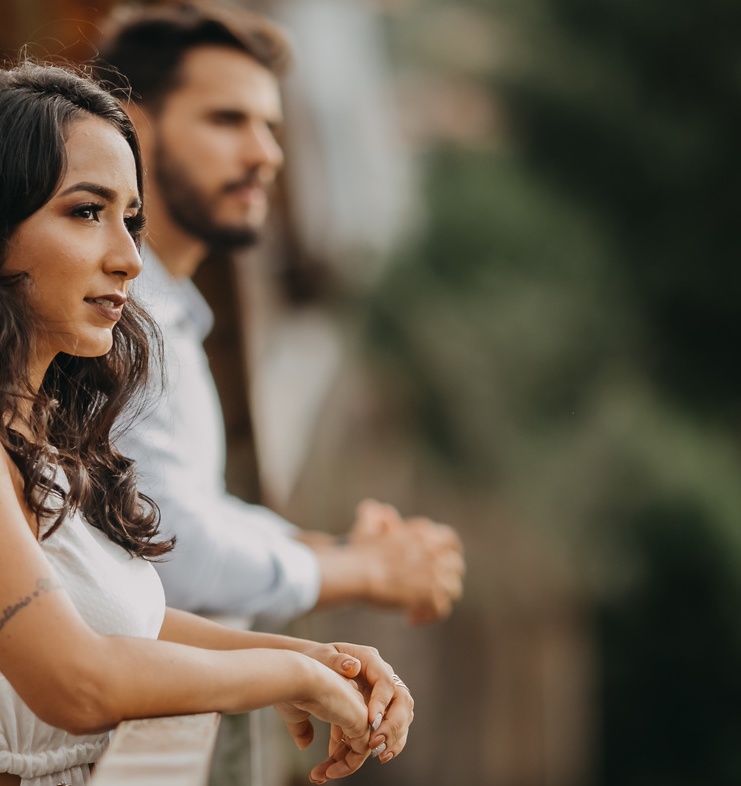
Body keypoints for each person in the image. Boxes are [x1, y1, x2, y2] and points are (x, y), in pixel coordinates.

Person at [0, 63, 412, 786]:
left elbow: (134, 627)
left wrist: (315, 656)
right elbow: (76, 681)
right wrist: (286, 676)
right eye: (87, 212)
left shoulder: (32, 422)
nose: (127, 258)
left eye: (131, 219)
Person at [93, 1, 466, 624]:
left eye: (270, 126)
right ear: (131, 126)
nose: (266, 154)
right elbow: (166, 553)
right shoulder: (114, 313)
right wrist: (364, 571)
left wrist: (329, 549)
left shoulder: (166, 308)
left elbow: (196, 508)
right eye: (227, 120)